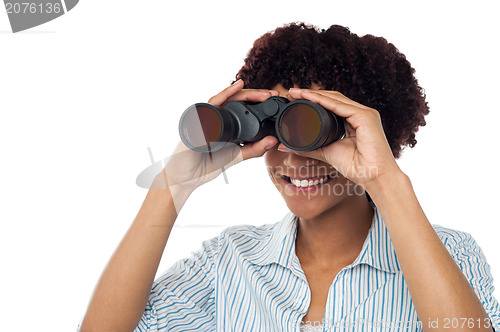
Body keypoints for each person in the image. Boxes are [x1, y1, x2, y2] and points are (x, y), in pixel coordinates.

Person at [78, 23, 500, 331]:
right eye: (276, 131)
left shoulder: (451, 255)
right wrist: (174, 183)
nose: (294, 160)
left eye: (310, 130)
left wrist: (383, 179)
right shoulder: (229, 262)